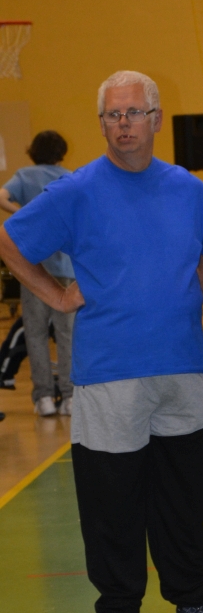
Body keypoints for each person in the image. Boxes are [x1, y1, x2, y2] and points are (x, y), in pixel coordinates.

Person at [0, 70, 203, 613]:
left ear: (155, 118)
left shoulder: (189, 189)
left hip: (183, 368)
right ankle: (116, 611)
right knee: (111, 497)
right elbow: (11, 240)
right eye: (113, 115)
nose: (124, 124)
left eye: (134, 112)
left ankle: (192, 602)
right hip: (109, 371)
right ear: (102, 123)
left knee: (183, 497)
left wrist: (187, 292)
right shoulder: (77, 190)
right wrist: (57, 295)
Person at [0, 131, 75, 417]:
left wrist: (21, 213)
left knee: (35, 334)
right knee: (67, 336)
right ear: (61, 151)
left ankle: (43, 397)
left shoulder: (24, 175)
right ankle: (69, 397)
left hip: (32, 269)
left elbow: (1, 197)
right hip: (66, 270)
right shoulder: (69, 177)